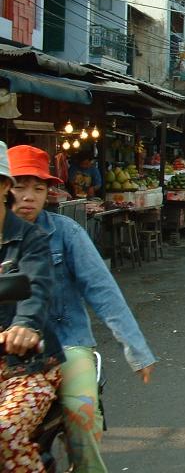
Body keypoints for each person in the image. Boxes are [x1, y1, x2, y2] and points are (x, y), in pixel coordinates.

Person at [8, 144, 156, 472]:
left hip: (66, 342)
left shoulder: (66, 232)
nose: (28, 196)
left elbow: (103, 291)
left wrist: (136, 350)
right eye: (20, 185)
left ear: (49, 192)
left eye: (39, 187)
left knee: (81, 416)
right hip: (8, 349)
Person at [0, 141, 65, 471]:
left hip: (28, 365)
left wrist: (24, 324)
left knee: (4, 432)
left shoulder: (32, 238)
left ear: (3, 186)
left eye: (36, 188)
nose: (29, 196)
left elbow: (36, 287)